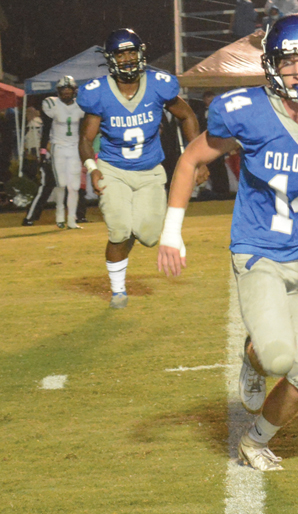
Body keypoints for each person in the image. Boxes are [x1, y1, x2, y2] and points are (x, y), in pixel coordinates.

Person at [154, 13, 298, 471]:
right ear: (271, 65)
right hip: (259, 250)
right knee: (277, 355)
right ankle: (253, 355)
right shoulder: (248, 112)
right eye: (288, 61)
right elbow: (189, 160)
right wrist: (171, 233)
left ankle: (255, 441)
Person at [77, 28, 200, 309]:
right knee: (119, 229)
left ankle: (154, 228)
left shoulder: (158, 85)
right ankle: (118, 290)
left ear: (141, 53)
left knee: (146, 234)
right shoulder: (98, 94)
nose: (129, 58)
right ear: (111, 59)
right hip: (113, 169)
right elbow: (85, 138)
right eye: (122, 54)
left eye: (132, 51)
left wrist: (197, 157)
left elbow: (188, 115)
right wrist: (92, 167)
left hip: (150, 171)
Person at [41, 76, 85, 229]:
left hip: (74, 147)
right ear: (58, 92)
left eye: (69, 91)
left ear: (74, 91)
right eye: (63, 91)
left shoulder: (80, 105)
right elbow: (46, 128)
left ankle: (72, 219)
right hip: (58, 146)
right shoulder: (51, 104)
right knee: (61, 183)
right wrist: (43, 149)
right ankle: (60, 212)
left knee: (74, 186)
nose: (66, 93)